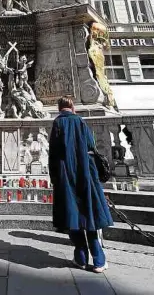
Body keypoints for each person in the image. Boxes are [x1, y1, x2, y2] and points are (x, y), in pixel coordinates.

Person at [49, 96, 113, 273]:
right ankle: (99, 261)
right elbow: (91, 145)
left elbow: (53, 153)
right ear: (72, 107)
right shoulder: (80, 121)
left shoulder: (57, 123)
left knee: (73, 217)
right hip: (85, 174)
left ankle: (81, 257)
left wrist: (54, 176)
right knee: (89, 215)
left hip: (66, 176)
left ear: (60, 108)